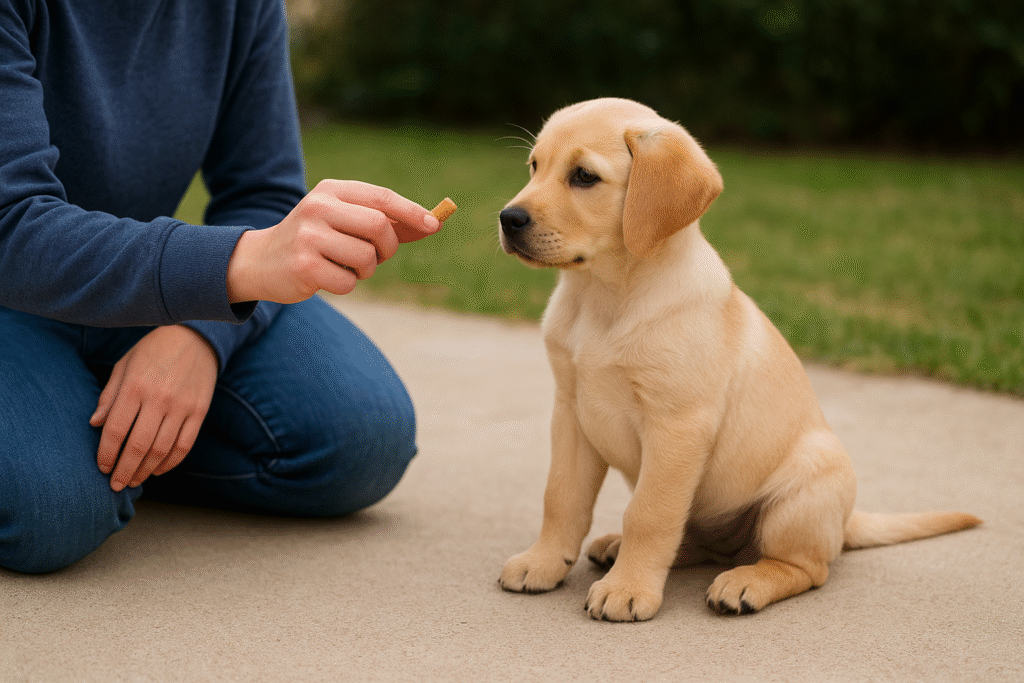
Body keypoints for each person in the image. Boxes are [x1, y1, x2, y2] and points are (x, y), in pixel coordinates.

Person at [0, 0, 445, 573]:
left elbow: (263, 191)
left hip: (145, 290)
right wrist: (240, 260)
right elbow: (10, 225)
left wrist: (198, 332)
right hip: (12, 295)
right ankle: (78, 451)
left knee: (362, 440)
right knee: (55, 511)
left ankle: (109, 442)